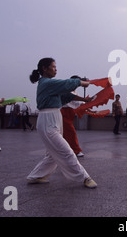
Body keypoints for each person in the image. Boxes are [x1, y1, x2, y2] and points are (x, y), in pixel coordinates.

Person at [26, 57, 97, 188]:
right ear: (44, 69)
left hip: (54, 118)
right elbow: (66, 84)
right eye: (53, 66)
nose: (56, 69)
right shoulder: (46, 83)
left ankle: (35, 176)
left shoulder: (50, 85)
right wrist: (81, 83)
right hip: (48, 120)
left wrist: (84, 100)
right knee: (66, 151)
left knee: (52, 155)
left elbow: (66, 96)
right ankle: (85, 177)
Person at [61, 75, 85, 157]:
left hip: (70, 113)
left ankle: (64, 150)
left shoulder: (74, 91)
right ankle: (76, 150)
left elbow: (78, 103)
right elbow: (74, 100)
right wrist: (85, 101)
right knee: (71, 132)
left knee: (65, 133)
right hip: (64, 112)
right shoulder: (67, 91)